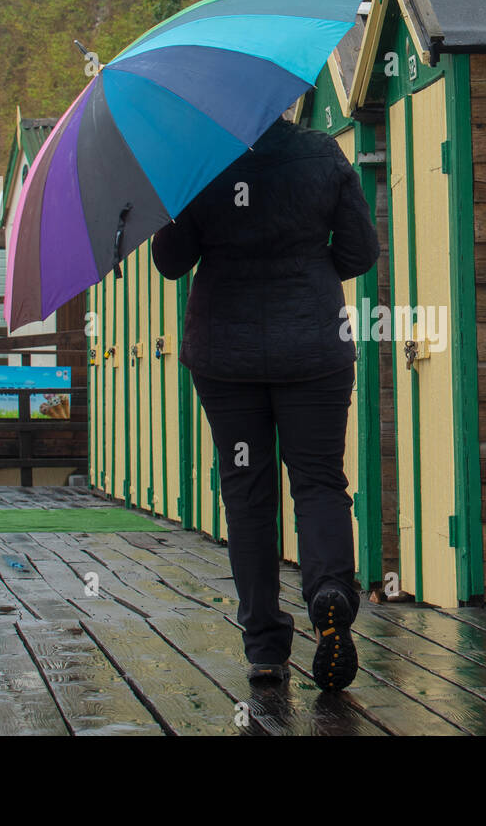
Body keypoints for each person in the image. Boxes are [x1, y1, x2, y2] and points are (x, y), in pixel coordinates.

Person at [150, 113, 379, 692]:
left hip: (227, 358)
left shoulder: (200, 163)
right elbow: (360, 252)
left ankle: (265, 648)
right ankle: (329, 590)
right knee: (320, 481)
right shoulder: (322, 153)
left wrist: (173, 197)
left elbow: (172, 262)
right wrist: (312, 265)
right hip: (313, 348)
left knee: (247, 492)